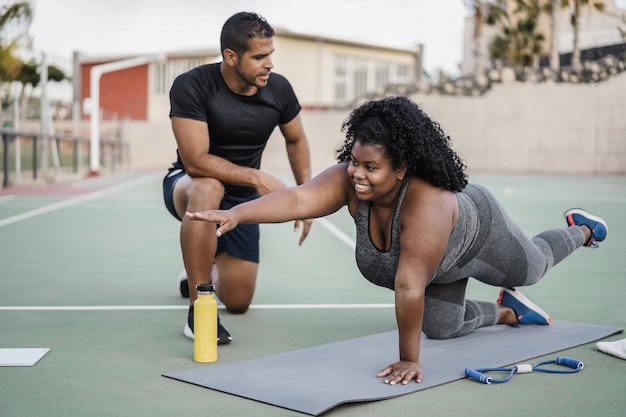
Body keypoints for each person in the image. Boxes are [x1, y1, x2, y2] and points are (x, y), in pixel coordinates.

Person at [186, 96, 608, 384]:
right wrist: (237, 213)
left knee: (532, 267)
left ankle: (582, 229)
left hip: (480, 234)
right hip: (436, 266)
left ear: (402, 167)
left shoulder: (428, 205)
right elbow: (298, 199)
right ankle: (506, 311)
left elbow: (409, 285)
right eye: (354, 161)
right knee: (442, 329)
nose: (357, 173)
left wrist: (410, 359)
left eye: (372, 167)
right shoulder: (349, 181)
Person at [163, 12, 313, 344]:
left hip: (242, 198)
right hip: (189, 185)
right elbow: (195, 161)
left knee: (239, 302)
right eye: (260, 56)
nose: (269, 63)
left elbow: (296, 138)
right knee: (209, 187)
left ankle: (197, 273)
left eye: (271, 54)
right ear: (231, 57)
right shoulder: (192, 85)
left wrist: (305, 196)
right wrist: (256, 177)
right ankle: (198, 309)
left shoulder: (279, 90)